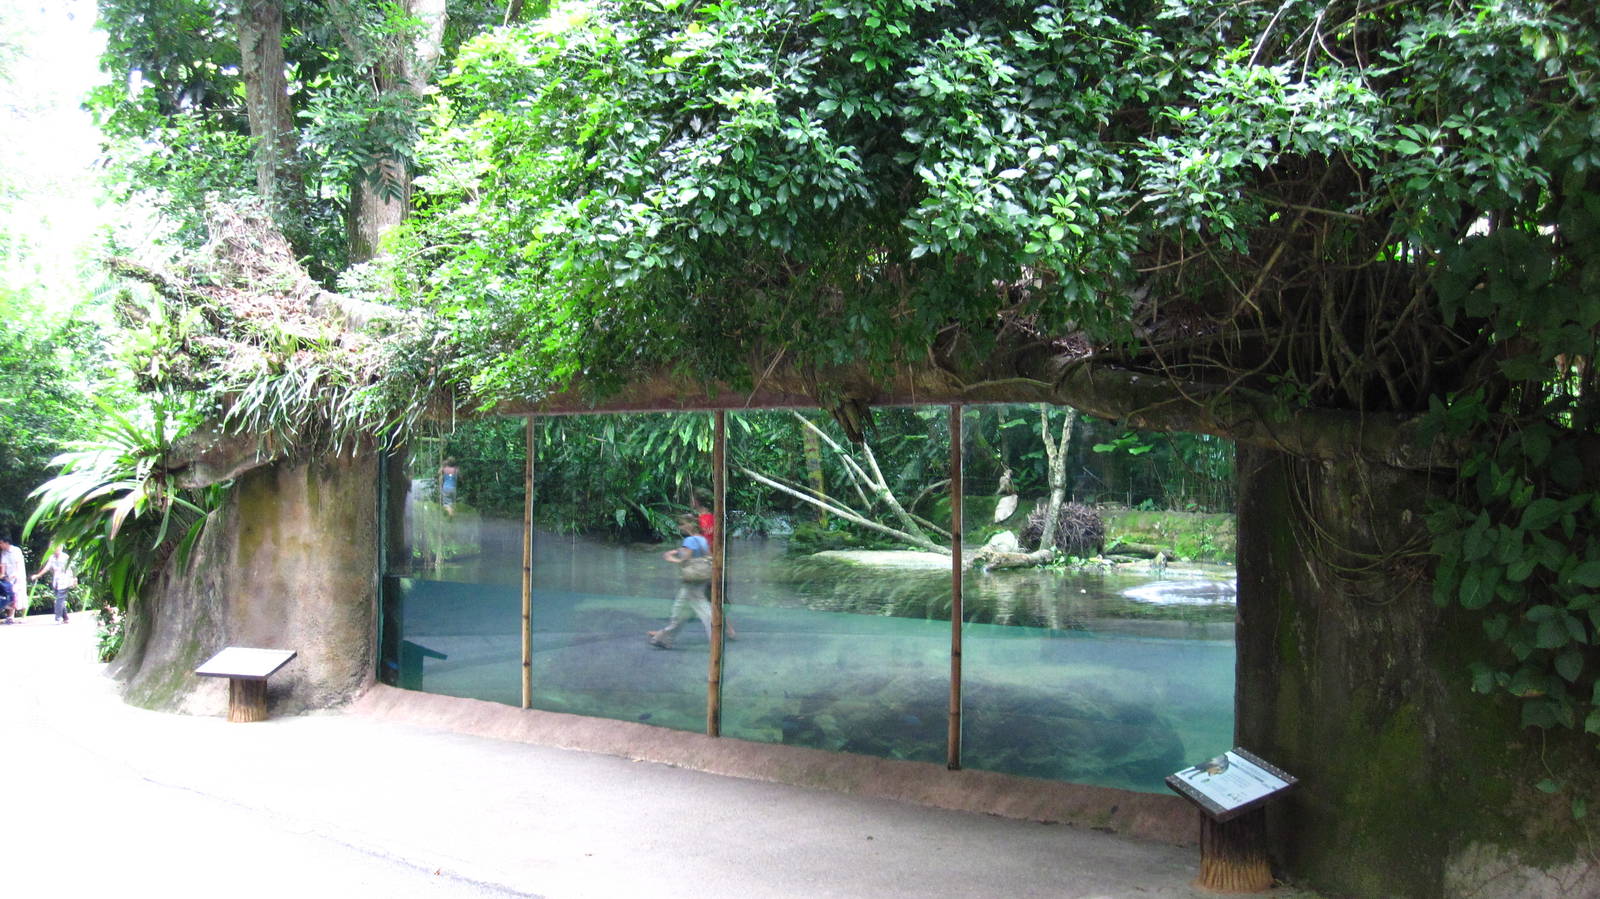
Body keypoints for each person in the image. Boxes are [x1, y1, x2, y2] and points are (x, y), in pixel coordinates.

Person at [647, 515, 713, 649]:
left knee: (705, 612)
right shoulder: (702, 540)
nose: (680, 527)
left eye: (682, 524)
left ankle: (715, 639)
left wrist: (670, 558)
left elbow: (684, 560)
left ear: (689, 525)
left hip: (691, 581)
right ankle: (663, 638)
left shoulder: (689, 540)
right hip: (700, 579)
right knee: (679, 612)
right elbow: (708, 556)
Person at [31, 547, 75, 623]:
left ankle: (58, 618)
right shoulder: (52, 558)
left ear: (60, 548)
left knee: (59, 600)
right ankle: (66, 618)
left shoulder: (65, 557)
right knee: (60, 599)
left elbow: (73, 568)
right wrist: (38, 575)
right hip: (56, 581)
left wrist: (74, 579)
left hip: (65, 580)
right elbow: (47, 568)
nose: (54, 549)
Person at [0, 535, 25, 623]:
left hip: (19, 576)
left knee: (20, 595)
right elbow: (3, 564)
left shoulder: (16, 550)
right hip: (9, 577)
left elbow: (18, 564)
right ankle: (11, 617)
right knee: (10, 595)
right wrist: (2, 574)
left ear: (6, 543)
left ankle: (23, 616)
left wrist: (16, 574)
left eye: (1, 543)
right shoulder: (4, 552)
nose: (0, 545)